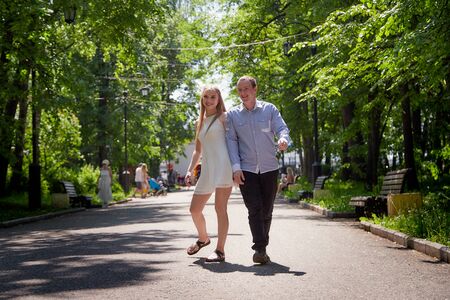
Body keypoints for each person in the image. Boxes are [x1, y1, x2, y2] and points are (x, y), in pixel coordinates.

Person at [226, 75, 291, 264]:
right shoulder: (233, 115)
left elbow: (282, 128)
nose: (243, 93)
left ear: (255, 89)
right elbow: (231, 142)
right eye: (240, 90)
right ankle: (260, 249)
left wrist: (283, 139)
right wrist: (236, 168)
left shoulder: (269, 109)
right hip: (246, 169)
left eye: (246, 89)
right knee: (254, 208)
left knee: (267, 210)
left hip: (270, 167)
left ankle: (262, 246)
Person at [185, 86, 233, 263]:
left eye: (213, 96)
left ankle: (220, 251)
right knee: (194, 210)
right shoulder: (200, 122)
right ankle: (203, 238)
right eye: (206, 96)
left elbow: (234, 142)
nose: (209, 100)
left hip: (224, 167)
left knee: (220, 208)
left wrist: (237, 168)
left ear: (219, 99)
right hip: (207, 170)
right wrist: (190, 170)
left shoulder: (224, 118)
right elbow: (197, 151)